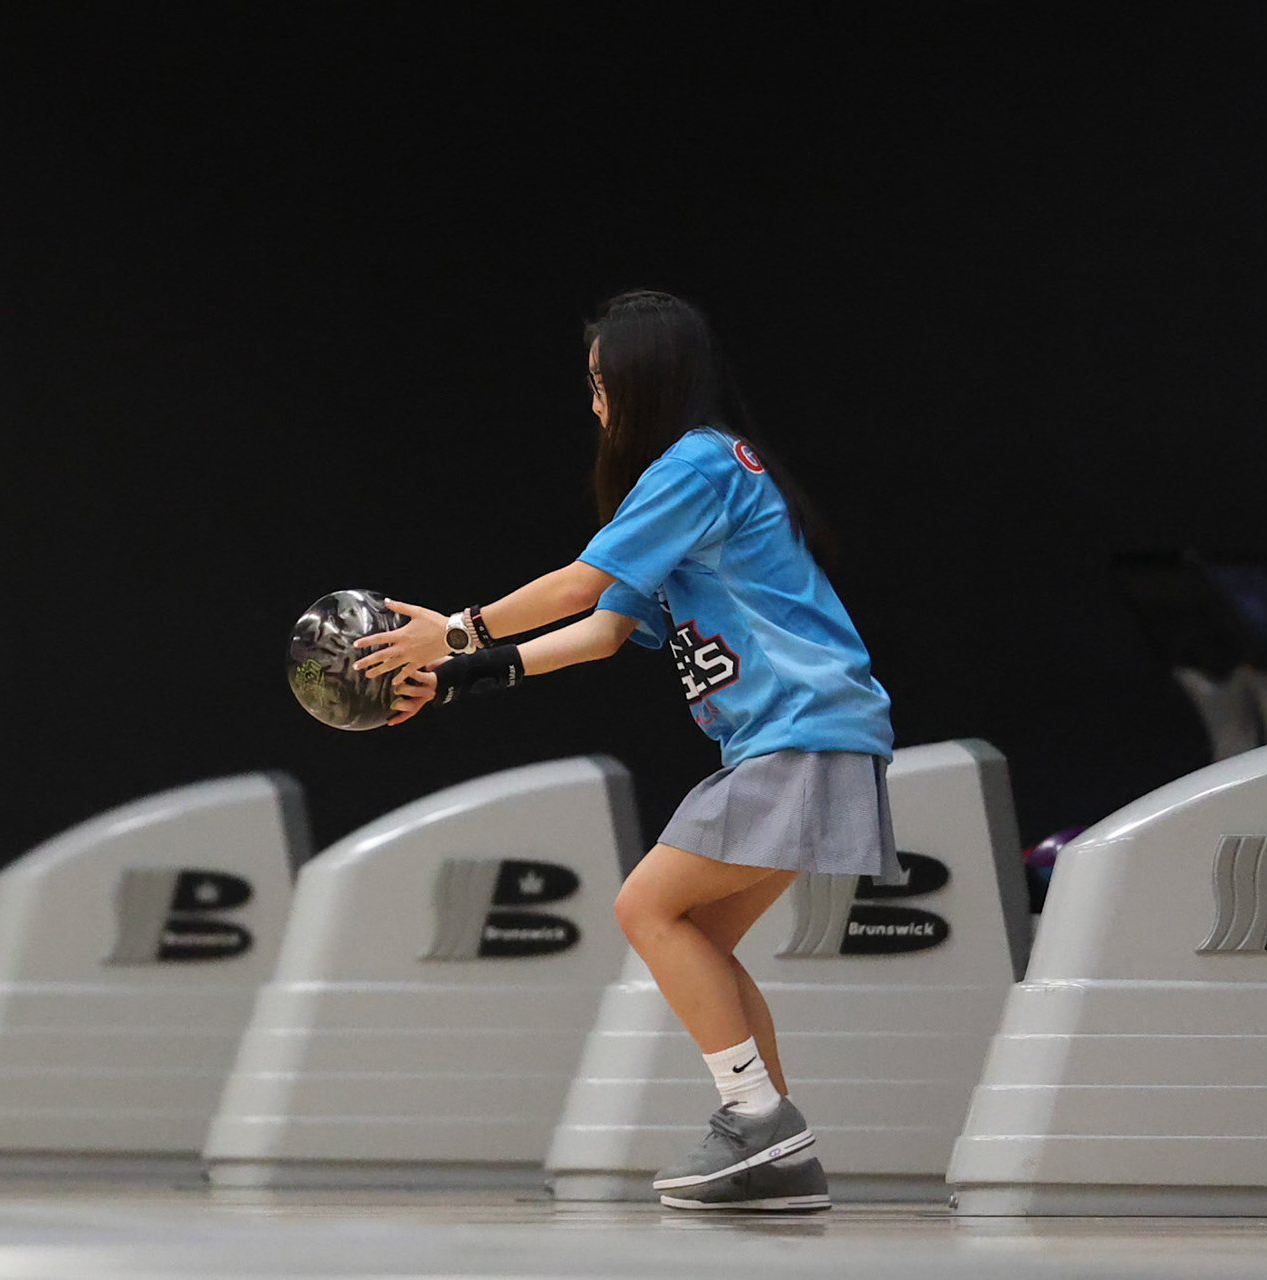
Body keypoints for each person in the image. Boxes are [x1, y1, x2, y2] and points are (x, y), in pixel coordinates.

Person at [356, 289, 897, 1212]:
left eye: (603, 384)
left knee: (645, 907)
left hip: (799, 732)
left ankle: (757, 1117)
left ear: (645, 384)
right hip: (815, 735)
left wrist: (454, 631)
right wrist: (456, 673)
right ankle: (776, 1155)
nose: (595, 402)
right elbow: (604, 631)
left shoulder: (692, 467)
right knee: (699, 941)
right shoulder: (703, 478)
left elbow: (579, 584)